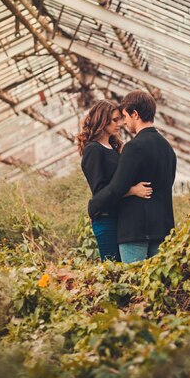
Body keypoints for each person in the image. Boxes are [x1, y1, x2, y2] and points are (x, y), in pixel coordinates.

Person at [88, 90, 177, 264]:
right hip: (163, 228)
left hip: (135, 229)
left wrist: (93, 206)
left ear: (135, 114)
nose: (124, 122)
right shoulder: (168, 149)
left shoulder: (134, 147)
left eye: (125, 116)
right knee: (157, 286)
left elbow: (117, 187)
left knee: (133, 286)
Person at [77, 100, 153, 262]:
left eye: (120, 119)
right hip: (105, 218)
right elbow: (100, 192)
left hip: (120, 217)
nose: (120, 123)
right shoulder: (93, 150)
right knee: (113, 269)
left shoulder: (114, 147)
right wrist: (132, 190)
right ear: (102, 120)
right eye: (115, 120)